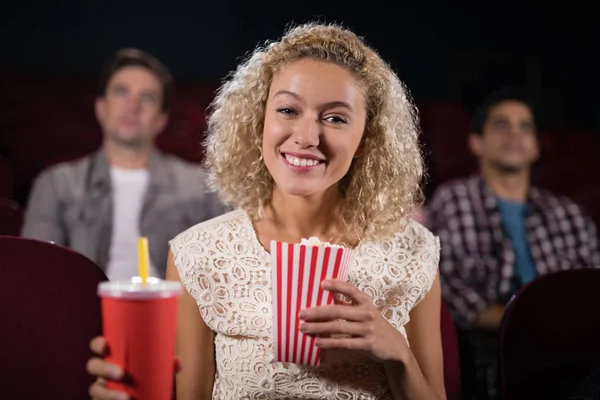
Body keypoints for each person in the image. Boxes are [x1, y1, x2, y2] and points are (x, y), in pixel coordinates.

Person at [87, 23, 446, 400]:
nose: (307, 137)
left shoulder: (413, 251)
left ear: (366, 138)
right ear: (260, 121)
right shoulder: (198, 253)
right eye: (288, 110)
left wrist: (397, 355)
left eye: (335, 118)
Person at [21, 48, 227, 280]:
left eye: (147, 97)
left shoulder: (202, 186)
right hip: (86, 311)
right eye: (121, 92)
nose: (133, 106)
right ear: (101, 108)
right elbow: (36, 273)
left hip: (171, 312)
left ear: (161, 120)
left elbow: (230, 267)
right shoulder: (56, 184)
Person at [428, 88, 600, 331]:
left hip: (576, 343)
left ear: (536, 147)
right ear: (476, 143)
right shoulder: (454, 200)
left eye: (525, 127)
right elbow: (446, 288)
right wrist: (528, 326)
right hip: (491, 348)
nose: (514, 134)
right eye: (501, 125)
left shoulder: (569, 215)